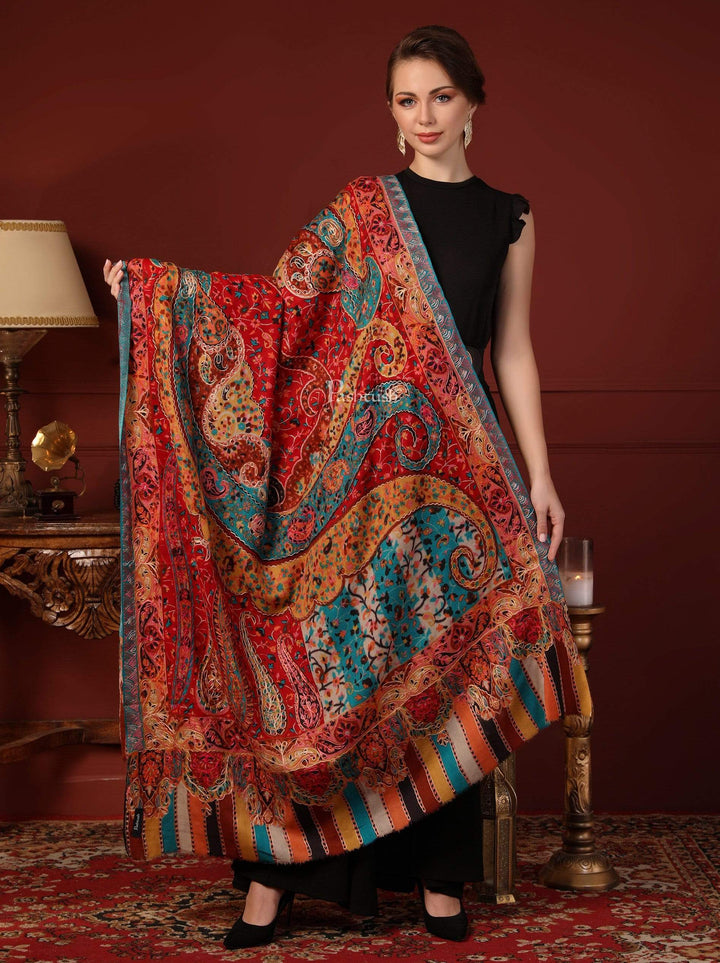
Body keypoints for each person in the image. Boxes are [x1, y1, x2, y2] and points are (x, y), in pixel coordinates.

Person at [105, 25, 588, 949]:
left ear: (474, 105)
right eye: (407, 100)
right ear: (392, 113)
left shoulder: (511, 218)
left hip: (460, 477)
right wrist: (156, 292)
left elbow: (513, 351)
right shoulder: (364, 208)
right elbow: (278, 310)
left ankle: (440, 879)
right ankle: (276, 880)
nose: (425, 116)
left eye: (440, 97)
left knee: (446, 671)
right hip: (354, 478)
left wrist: (541, 473)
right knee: (343, 681)